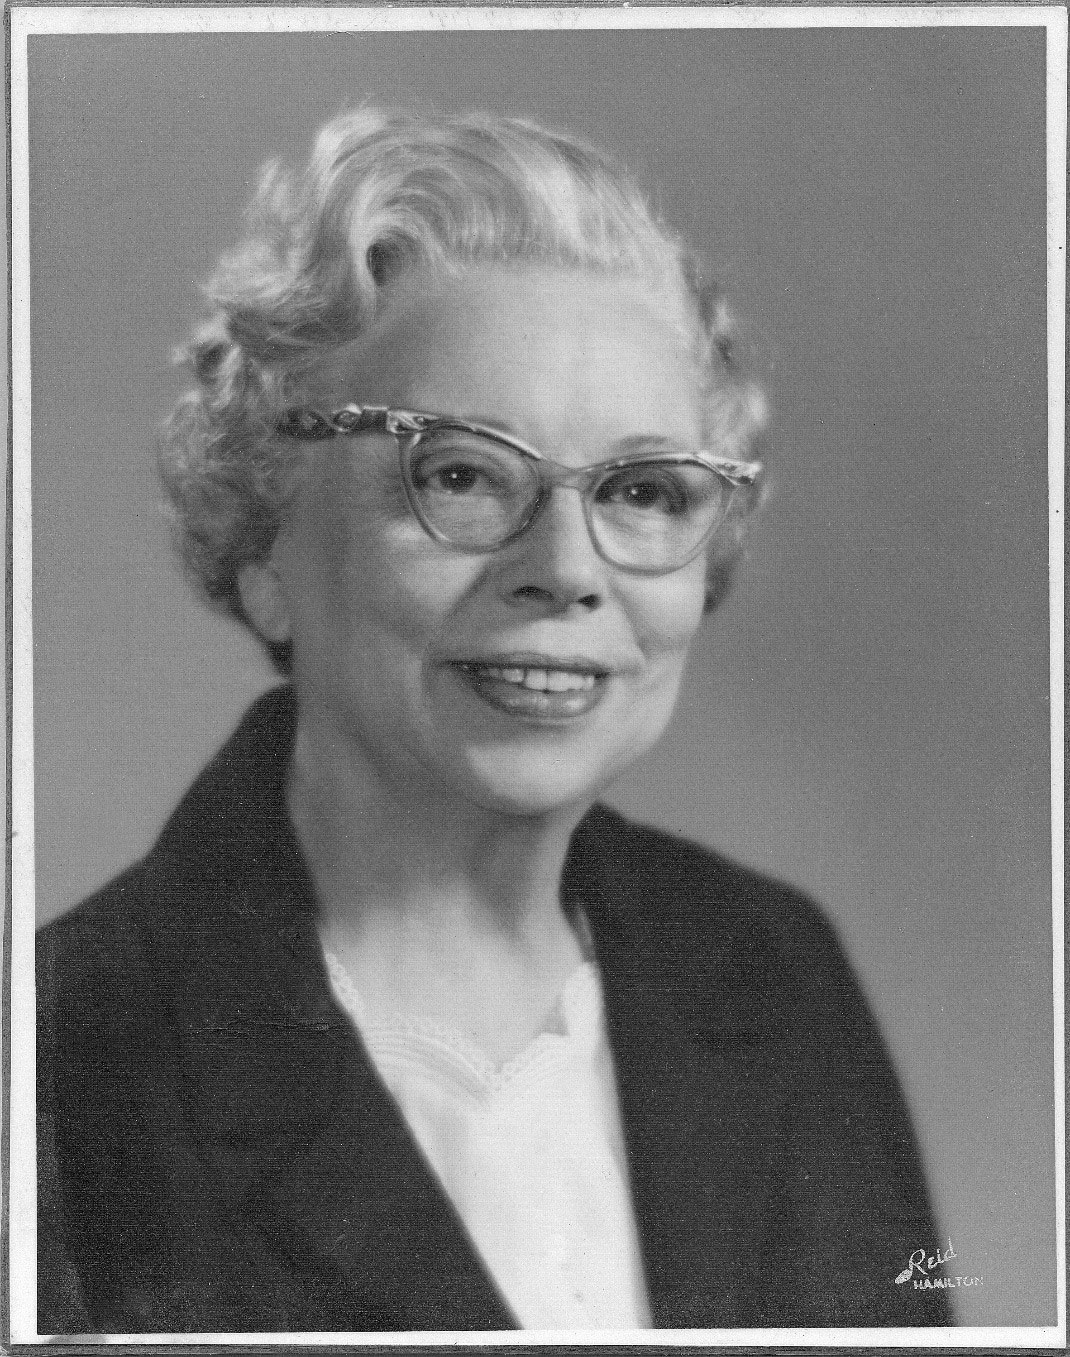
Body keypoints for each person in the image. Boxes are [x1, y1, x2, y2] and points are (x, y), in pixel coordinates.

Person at [36, 107, 950, 1334]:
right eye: (461, 472)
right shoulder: (56, 1067)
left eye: (640, 489)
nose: (566, 569)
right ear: (261, 537)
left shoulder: (772, 975)